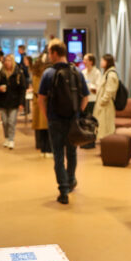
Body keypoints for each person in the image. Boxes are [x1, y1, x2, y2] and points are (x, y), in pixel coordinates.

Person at [37, 40, 89, 205]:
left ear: (54, 53)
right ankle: (71, 180)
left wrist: (48, 116)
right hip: (72, 120)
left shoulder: (48, 73)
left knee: (58, 155)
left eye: (49, 52)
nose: (49, 56)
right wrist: (78, 113)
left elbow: (41, 99)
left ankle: (63, 190)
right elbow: (86, 97)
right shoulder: (77, 72)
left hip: (55, 120)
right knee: (72, 153)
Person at [0, 54, 27, 149]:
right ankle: (6, 137)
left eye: (9, 60)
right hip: (3, 101)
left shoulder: (18, 73)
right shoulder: (0, 73)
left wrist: (21, 103)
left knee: (11, 121)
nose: (7, 62)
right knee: (5, 121)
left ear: (12, 62)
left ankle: (11, 139)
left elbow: (22, 89)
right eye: (5, 60)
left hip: (14, 101)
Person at [30, 54, 53, 158]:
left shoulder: (35, 72)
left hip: (37, 102)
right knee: (48, 127)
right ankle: (48, 149)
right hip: (46, 102)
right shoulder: (48, 73)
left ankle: (43, 149)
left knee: (41, 128)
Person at [93, 54, 118, 141]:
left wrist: (102, 102)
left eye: (102, 60)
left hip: (106, 106)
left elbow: (109, 91)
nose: (100, 62)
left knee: (106, 129)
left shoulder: (111, 74)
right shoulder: (107, 73)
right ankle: (105, 145)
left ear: (107, 62)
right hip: (103, 106)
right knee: (102, 129)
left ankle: (107, 146)